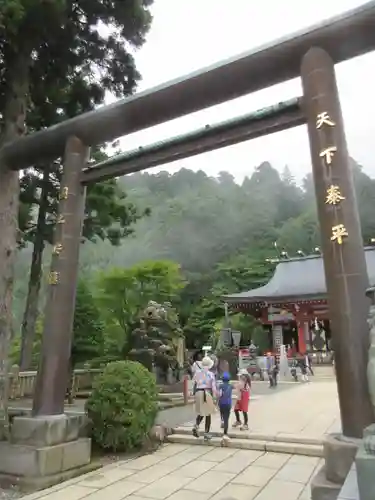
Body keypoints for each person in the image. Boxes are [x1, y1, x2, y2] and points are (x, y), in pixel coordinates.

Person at [192, 356, 217, 440]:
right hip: (206, 392)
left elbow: (194, 384)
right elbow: (213, 387)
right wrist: (214, 397)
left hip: (198, 392)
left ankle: (196, 426)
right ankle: (206, 433)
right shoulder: (211, 374)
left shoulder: (197, 373)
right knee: (208, 413)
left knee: (201, 412)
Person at [218, 371, 233, 443]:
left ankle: (222, 420)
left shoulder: (220, 386)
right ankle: (225, 433)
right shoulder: (231, 386)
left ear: (222, 379)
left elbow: (219, 394)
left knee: (222, 413)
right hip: (228, 404)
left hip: (221, 403)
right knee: (227, 418)